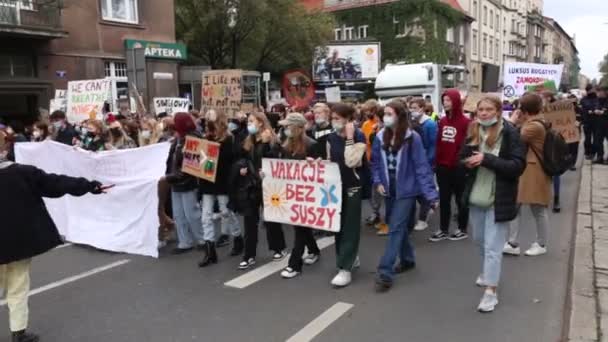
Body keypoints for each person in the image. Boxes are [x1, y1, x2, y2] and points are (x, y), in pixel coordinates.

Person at [0, 155, 109, 342]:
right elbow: (55, 183)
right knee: (18, 285)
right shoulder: (22, 172)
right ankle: (18, 332)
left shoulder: (22, 171)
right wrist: (89, 186)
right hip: (19, 241)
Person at [460, 96, 525, 312]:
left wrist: (486, 159)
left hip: (499, 198)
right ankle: (487, 273)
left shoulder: (510, 133)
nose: (484, 113)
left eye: (489, 109)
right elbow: (462, 157)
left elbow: (517, 166)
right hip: (476, 197)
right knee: (479, 241)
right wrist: (467, 162)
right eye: (481, 110)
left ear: (498, 111)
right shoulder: (473, 130)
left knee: (493, 247)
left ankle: (491, 292)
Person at [372, 101, 438, 292]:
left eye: (389, 113)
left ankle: (385, 272)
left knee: (395, 227)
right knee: (397, 226)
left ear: (400, 116)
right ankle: (407, 259)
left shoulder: (412, 138)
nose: (385, 117)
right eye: (384, 113)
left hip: (406, 190)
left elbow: (421, 166)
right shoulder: (379, 136)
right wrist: (378, 182)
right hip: (388, 188)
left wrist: (430, 194)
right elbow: (375, 163)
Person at [236, 112, 286, 270]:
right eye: (248, 121)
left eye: (252, 121)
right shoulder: (249, 140)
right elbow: (243, 157)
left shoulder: (271, 140)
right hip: (251, 185)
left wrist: (265, 144)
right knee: (249, 220)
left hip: (268, 185)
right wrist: (243, 168)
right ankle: (249, 255)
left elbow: (275, 160)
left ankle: (278, 248)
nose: (249, 124)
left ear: (261, 123)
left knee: (271, 218)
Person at [504, 93, 552, 257]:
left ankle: (541, 243)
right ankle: (513, 242)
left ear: (524, 109)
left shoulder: (533, 126)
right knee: (517, 205)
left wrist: (512, 119)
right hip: (530, 170)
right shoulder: (537, 121)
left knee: (538, 208)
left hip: (534, 170)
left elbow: (513, 137)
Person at [326, 103, 368, 287]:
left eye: (337, 118)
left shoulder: (359, 135)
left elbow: (352, 161)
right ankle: (347, 258)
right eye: (332, 118)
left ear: (348, 120)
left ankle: (345, 268)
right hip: (336, 187)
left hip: (353, 186)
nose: (334, 122)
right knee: (338, 227)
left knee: (350, 227)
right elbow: (330, 160)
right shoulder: (330, 138)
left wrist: (350, 138)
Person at [278, 113, 322, 279]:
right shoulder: (286, 145)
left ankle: (294, 264)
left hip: (307, 193)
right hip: (292, 191)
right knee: (301, 226)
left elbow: (321, 169)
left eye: (288, 126)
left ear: (298, 127)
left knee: (300, 227)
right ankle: (314, 250)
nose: (286, 129)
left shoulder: (312, 145)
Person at [198, 110, 242, 267]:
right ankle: (210, 251)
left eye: (211, 116)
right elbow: (201, 160)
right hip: (208, 183)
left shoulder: (229, 139)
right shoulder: (205, 138)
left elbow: (231, 161)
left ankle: (237, 238)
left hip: (223, 183)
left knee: (226, 213)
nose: (207, 118)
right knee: (206, 217)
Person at [430, 89, 472, 242]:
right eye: (444, 100)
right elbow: (439, 143)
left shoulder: (466, 122)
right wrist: (437, 161)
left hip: (459, 167)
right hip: (443, 166)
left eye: (448, 100)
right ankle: (443, 228)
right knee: (444, 199)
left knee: (461, 199)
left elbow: (468, 144)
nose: (445, 103)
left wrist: (461, 162)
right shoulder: (442, 121)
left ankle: (462, 228)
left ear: (455, 101)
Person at [164, 113, 204, 254]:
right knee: (179, 214)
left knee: (191, 213)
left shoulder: (193, 138)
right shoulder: (178, 139)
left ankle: (202, 239)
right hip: (176, 181)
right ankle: (184, 241)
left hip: (187, 182)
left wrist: (170, 177)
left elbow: (191, 166)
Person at [409, 98, 439, 231]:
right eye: (411, 108)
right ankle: (430, 205)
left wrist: (428, 162)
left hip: (426, 161)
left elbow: (433, 145)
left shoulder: (430, 124)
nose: (412, 111)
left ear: (422, 108)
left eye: (415, 108)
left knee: (423, 188)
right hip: (415, 161)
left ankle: (423, 218)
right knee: (418, 190)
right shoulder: (413, 122)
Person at [360, 100, 386, 232]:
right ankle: (376, 213)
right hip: (369, 161)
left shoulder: (382, 124)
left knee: (381, 190)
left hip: (380, 162)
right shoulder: (365, 124)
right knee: (372, 191)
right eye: (365, 111)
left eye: (369, 111)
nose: (366, 113)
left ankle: (384, 218)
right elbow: (365, 142)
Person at [581, 85, 598, 160]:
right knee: (587, 138)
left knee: (596, 139)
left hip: (596, 121)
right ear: (588, 91)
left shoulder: (597, 98)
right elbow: (584, 108)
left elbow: (598, 106)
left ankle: (593, 153)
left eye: (593, 89)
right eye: (591, 90)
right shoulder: (584, 99)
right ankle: (587, 152)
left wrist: (593, 110)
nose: (593, 91)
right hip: (587, 121)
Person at [593, 87, 608, 164]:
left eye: (600, 91)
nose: (599, 93)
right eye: (598, 92)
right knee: (598, 141)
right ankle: (600, 157)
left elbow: (604, 111)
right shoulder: (598, 100)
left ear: (605, 92)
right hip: (599, 124)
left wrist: (603, 112)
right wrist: (596, 110)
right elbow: (596, 107)